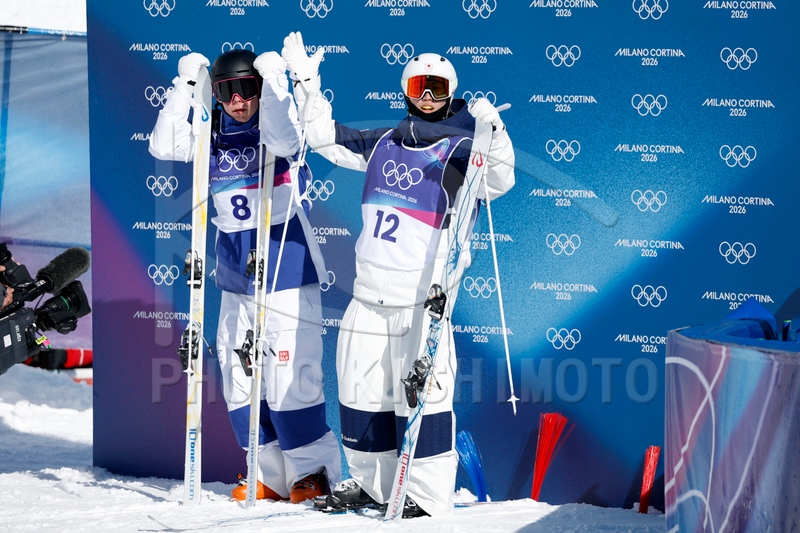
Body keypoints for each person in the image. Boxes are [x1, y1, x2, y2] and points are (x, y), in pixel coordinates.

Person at [281, 32, 515, 517]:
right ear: (405, 90)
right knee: (361, 393)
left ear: (451, 92)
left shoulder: (462, 149)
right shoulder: (385, 142)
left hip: (420, 302)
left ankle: (425, 497)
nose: (426, 96)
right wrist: (306, 85)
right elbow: (325, 139)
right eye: (417, 86)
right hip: (368, 297)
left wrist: (494, 133)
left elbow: (499, 180)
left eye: (436, 88)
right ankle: (376, 485)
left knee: (426, 398)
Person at [148, 48, 341, 503]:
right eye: (227, 91)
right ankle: (267, 471)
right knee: (239, 374)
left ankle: (311, 472)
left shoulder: (278, 128)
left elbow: (286, 139)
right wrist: (185, 87)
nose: (238, 101)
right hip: (235, 273)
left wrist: (274, 83)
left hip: (285, 267)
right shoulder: (209, 138)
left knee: (290, 373)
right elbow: (163, 145)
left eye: (246, 89)